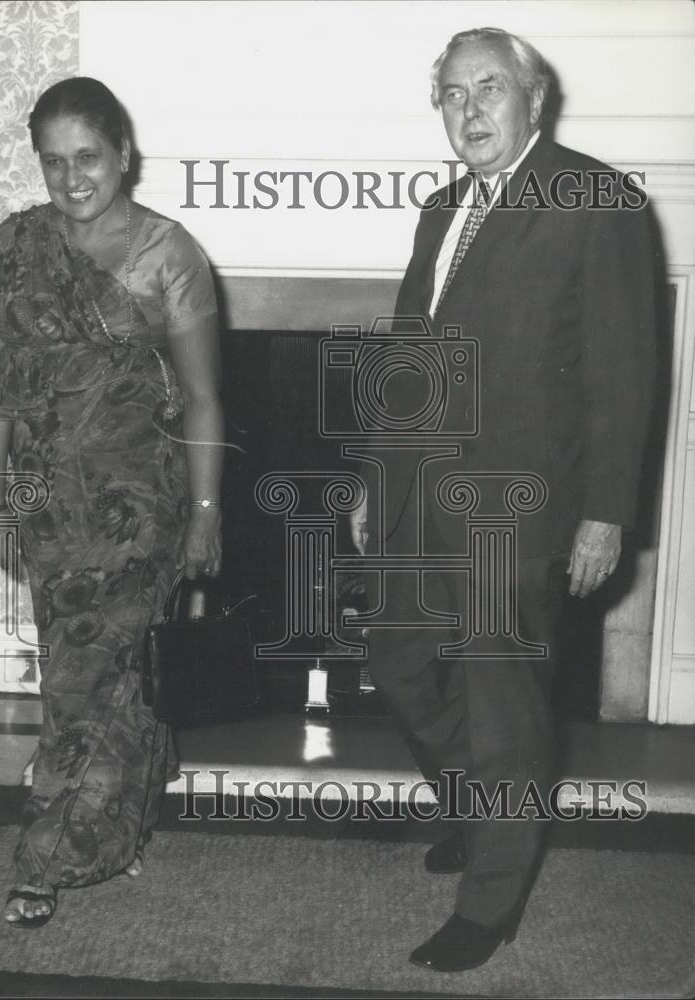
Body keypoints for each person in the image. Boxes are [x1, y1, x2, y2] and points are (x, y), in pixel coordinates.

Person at [350, 28, 655, 972]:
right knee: (400, 664)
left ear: (534, 96)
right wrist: (372, 473)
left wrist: (605, 510)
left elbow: (624, 367)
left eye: (488, 89)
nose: (470, 110)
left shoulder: (596, 198)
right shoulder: (444, 208)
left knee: (504, 701)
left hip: (517, 508)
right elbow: (408, 354)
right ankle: (482, 817)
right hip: (413, 490)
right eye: (451, 94)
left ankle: (492, 900)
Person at [0, 77, 223, 928]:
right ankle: (127, 806)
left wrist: (204, 511)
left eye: (87, 156)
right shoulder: (13, 247)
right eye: (53, 161)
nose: (71, 177)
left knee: (94, 676)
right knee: (83, 675)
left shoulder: (171, 254)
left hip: (139, 506)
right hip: (49, 502)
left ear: (123, 152)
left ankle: (51, 853)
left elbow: (202, 399)